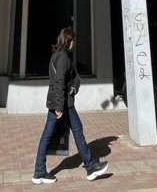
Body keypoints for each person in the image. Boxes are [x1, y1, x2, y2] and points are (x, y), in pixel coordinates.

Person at [32, 27, 108, 185]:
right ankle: (90, 167)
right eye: (73, 41)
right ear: (68, 41)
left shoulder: (56, 55)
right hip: (63, 103)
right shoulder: (63, 58)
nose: (75, 44)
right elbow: (59, 82)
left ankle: (39, 172)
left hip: (57, 101)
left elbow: (59, 81)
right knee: (77, 131)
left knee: (48, 135)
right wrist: (59, 107)